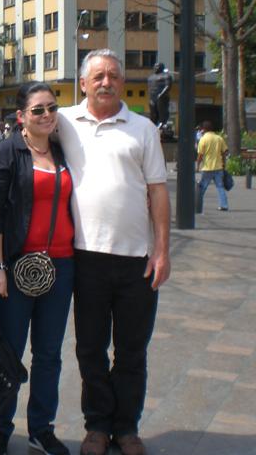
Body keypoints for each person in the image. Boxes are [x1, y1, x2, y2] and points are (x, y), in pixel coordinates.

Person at [58, 49, 170, 455]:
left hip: (136, 260)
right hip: (84, 258)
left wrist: (162, 251)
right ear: (83, 83)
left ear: (123, 83)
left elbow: (157, 190)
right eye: (98, 76)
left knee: (131, 351)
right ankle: (97, 426)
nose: (106, 82)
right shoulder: (65, 121)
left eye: (113, 76)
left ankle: (126, 428)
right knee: (89, 348)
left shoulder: (142, 128)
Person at [0, 82, 74, 455]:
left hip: (62, 265)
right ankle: (0, 428)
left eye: (52, 108)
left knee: (49, 353)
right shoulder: (6, 152)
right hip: (16, 267)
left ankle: (41, 427)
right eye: (38, 110)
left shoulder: (65, 150)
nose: (47, 115)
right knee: (9, 351)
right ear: (21, 116)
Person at [196, 120, 229, 212]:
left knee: (202, 187)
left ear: (204, 129)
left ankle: (197, 204)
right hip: (218, 167)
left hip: (207, 168)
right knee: (220, 187)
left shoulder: (203, 139)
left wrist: (198, 166)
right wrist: (224, 164)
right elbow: (224, 152)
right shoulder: (219, 138)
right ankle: (224, 205)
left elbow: (200, 155)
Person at [146, 63, 172, 128]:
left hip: (162, 98)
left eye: (157, 66)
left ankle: (162, 124)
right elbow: (149, 88)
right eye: (155, 66)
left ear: (162, 67)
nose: (155, 68)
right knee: (153, 114)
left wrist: (161, 94)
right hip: (152, 98)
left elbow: (168, 86)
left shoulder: (166, 76)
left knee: (162, 112)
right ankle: (153, 126)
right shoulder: (150, 77)